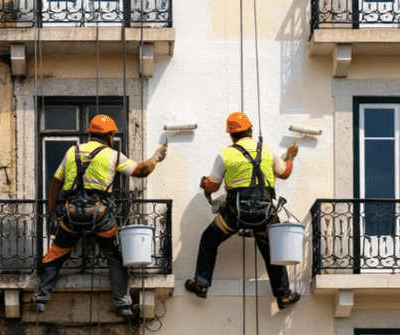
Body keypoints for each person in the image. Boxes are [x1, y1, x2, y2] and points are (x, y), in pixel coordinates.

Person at [35, 115, 166, 319]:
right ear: (109, 135)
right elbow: (141, 171)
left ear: (91, 133)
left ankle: (42, 298)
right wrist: (156, 156)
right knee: (114, 257)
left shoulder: (72, 151)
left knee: (56, 252)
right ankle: (122, 305)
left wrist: (52, 209)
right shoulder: (113, 155)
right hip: (99, 215)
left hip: (71, 214)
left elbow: (56, 180)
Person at [184, 111, 299, 309]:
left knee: (209, 239)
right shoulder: (268, 150)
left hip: (235, 213)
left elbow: (213, 185)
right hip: (265, 213)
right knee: (272, 250)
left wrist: (205, 184)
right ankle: (283, 295)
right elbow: (285, 172)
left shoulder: (225, 154)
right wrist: (289, 157)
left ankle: (201, 283)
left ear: (231, 135)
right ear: (250, 130)